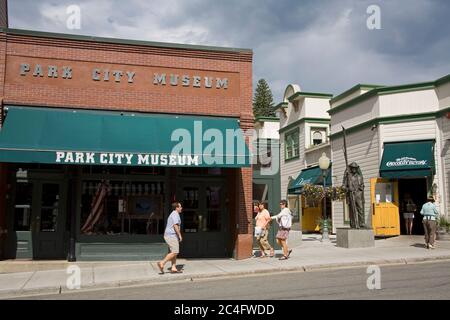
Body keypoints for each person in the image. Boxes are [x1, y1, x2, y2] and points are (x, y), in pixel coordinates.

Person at [158, 202, 183, 274]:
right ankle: (162, 263)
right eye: (180, 207)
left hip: (169, 235)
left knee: (173, 252)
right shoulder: (175, 214)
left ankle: (173, 268)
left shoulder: (174, 214)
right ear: (176, 208)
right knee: (175, 252)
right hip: (171, 236)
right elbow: (175, 226)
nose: (181, 208)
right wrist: (179, 235)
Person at [342, 162, 366, 229]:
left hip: (358, 195)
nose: (354, 169)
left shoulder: (359, 177)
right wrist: (348, 188)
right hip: (351, 195)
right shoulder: (348, 177)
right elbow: (343, 186)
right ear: (351, 168)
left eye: (355, 168)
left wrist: (360, 189)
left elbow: (362, 185)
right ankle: (353, 224)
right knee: (352, 210)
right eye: (352, 168)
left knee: (360, 209)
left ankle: (361, 223)